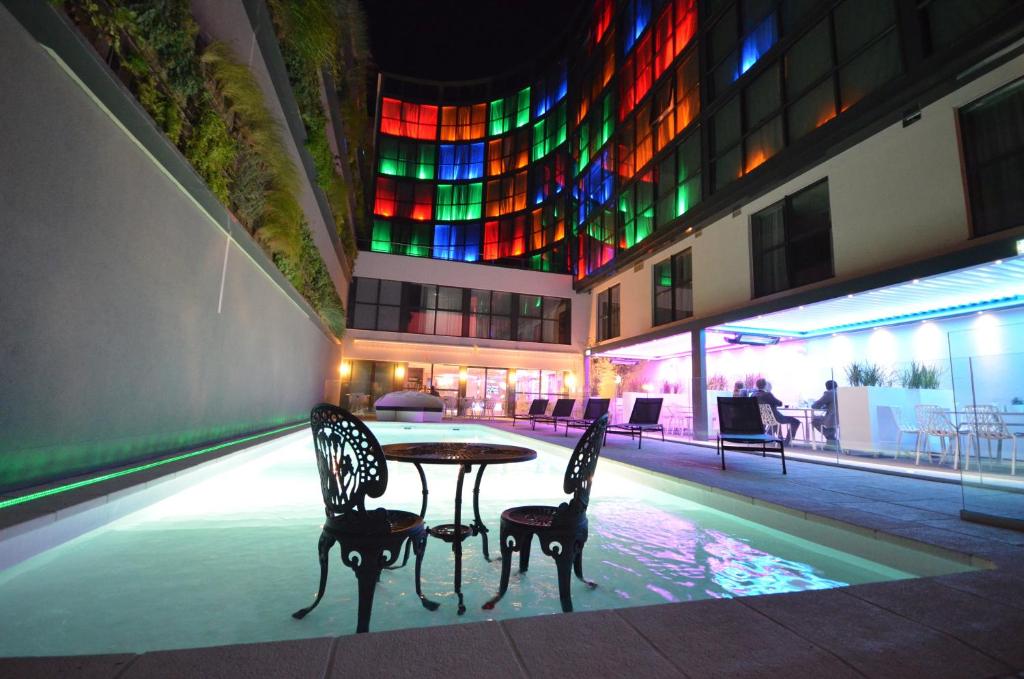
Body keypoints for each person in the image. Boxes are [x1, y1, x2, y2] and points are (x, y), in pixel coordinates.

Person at [750, 377, 800, 444]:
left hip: (762, 418)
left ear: (757, 386)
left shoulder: (753, 395)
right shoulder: (768, 394)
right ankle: (787, 441)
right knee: (796, 421)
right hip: (775, 418)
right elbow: (779, 403)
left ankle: (773, 437)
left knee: (773, 423)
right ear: (765, 385)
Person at [812, 380, 838, 447]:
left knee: (814, 420)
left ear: (827, 387)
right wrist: (826, 405)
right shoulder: (840, 393)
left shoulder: (829, 393)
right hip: (840, 419)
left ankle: (828, 435)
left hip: (832, 419)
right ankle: (831, 440)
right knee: (831, 426)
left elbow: (816, 405)